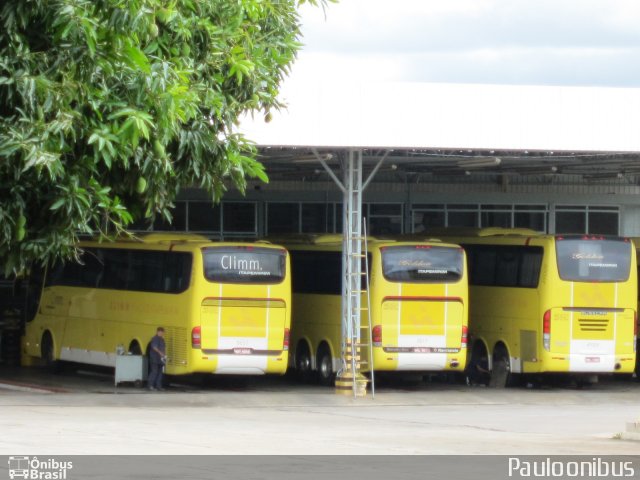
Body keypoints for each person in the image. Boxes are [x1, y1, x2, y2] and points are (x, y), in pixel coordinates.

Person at [147, 327, 166, 391]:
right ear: (157, 332)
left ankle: (158, 386)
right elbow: (154, 347)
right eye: (160, 332)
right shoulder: (155, 339)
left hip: (160, 359)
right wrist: (160, 353)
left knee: (160, 373)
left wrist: (164, 355)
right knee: (154, 372)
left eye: (162, 332)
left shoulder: (162, 339)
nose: (161, 333)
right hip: (154, 358)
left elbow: (163, 348)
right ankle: (150, 385)